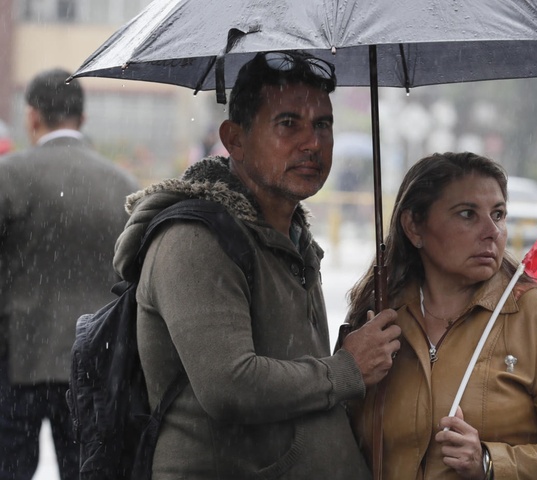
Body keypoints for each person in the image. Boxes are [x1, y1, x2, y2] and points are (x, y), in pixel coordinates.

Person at [114, 51, 400, 478]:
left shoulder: (293, 237)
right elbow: (229, 385)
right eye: (288, 124)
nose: (312, 143)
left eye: (323, 125)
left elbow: (296, 374)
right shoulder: (196, 240)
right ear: (235, 139)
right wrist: (346, 369)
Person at [346, 152, 537, 479]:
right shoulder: (378, 318)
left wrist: (490, 462)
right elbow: (340, 441)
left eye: (498, 214)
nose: (492, 231)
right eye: (467, 214)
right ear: (414, 227)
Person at [0, 68, 139, 480]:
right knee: (85, 469)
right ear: (82, 117)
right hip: (94, 364)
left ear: (32, 116)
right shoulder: (122, 185)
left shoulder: (9, 176)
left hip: (16, 361)